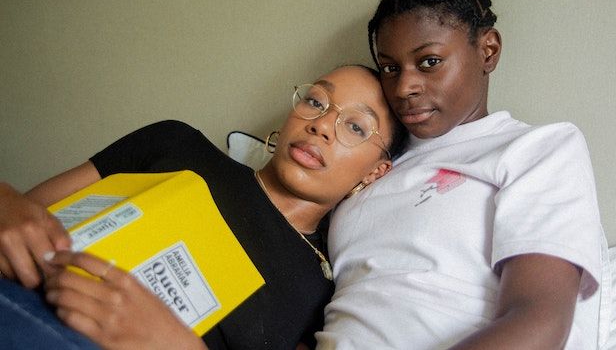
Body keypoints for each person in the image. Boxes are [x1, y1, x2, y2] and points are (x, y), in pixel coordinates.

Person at [0, 64, 408, 350]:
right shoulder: (177, 144)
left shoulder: (324, 290)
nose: (320, 125)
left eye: (355, 126)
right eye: (317, 102)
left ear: (375, 172)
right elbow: (28, 213)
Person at [317, 0, 610, 349]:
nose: (405, 87)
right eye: (390, 68)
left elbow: (538, 320)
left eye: (430, 62)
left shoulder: (536, 148)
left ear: (487, 50)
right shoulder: (373, 162)